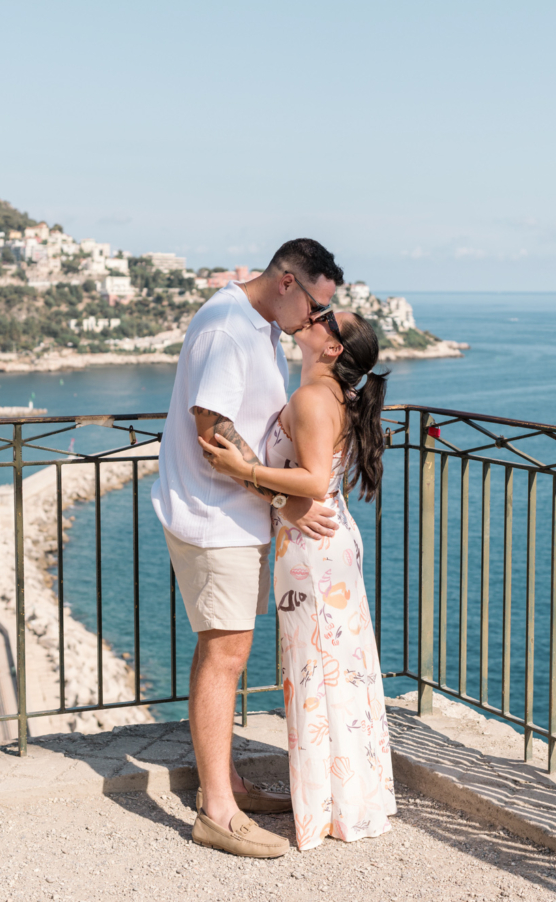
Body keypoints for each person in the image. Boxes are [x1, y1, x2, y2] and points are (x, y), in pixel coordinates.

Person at [151, 238, 346, 858]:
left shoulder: (256, 323)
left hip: (231, 515)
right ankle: (217, 812)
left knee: (222, 649)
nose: (315, 323)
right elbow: (212, 430)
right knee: (227, 654)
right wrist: (281, 496)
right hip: (215, 518)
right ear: (287, 282)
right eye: (315, 307)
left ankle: (225, 781)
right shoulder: (234, 328)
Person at [200, 301, 397, 851]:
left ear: (332, 348)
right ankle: (347, 801)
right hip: (325, 541)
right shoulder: (331, 394)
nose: (316, 315)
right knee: (341, 670)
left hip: (313, 550)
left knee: (317, 672)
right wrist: (281, 498)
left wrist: (244, 470)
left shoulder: (312, 397)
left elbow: (311, 480)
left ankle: (327, 806)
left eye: (327, 318)